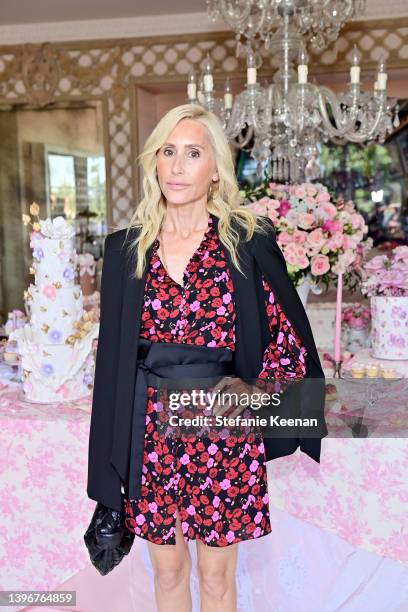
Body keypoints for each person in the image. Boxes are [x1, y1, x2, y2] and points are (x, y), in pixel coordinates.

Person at [87, 103, 326, 611]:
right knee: (168, 572)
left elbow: (289, 342)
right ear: (154, 162)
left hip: (223, 428)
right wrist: (107, 465)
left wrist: (256, 399)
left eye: (192, 153)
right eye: (167, 152)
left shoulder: (247, 242)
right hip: (148, 428)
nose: (176, 166)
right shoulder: (127, 249)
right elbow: (111, 365)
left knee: (217, 579)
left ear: (214, 167)